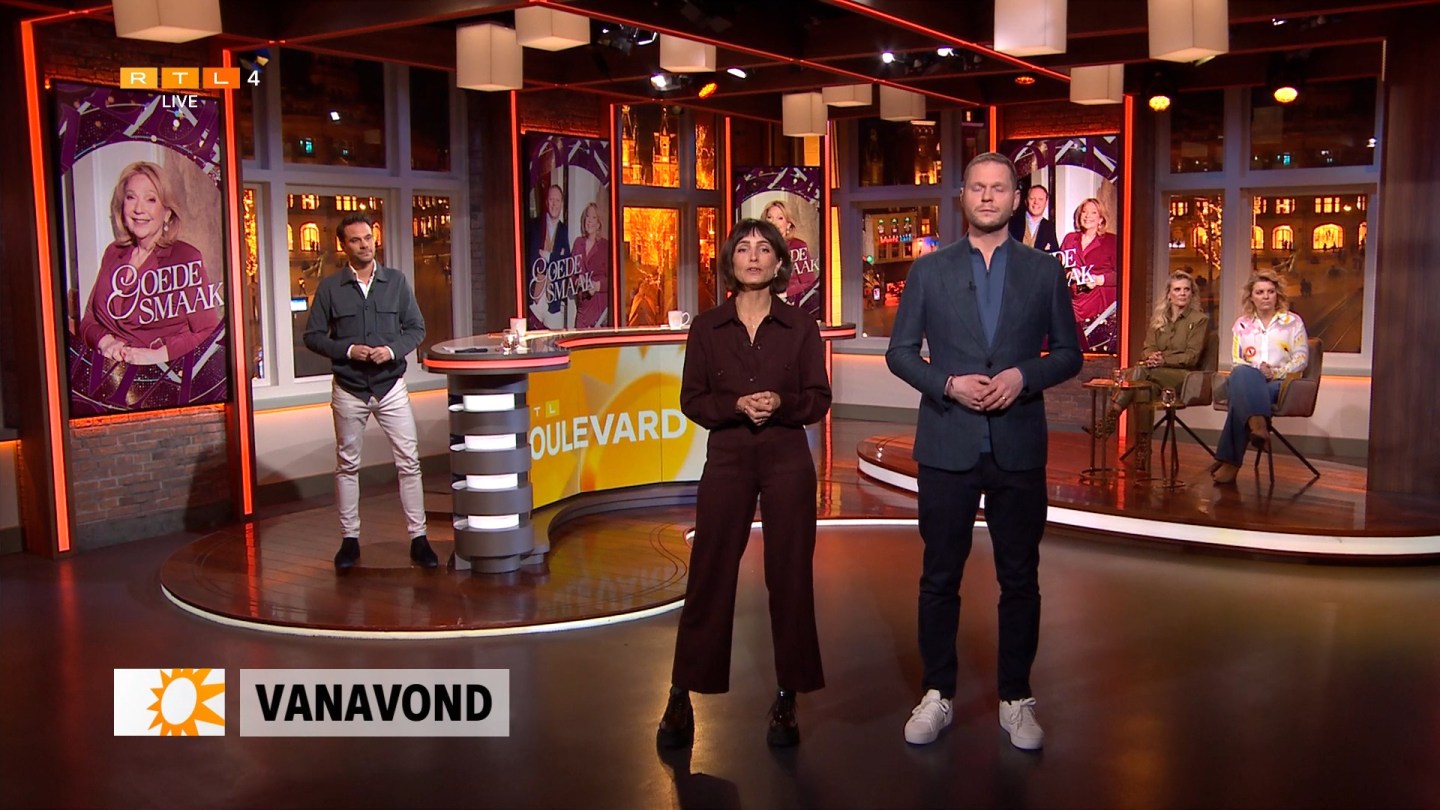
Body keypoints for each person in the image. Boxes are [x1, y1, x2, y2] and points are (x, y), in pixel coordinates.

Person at [886, 152, 1082, 750]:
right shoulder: (929, 270)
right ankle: (937, 693)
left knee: (1020, 577)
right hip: (948, 442)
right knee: (939, 576)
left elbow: (1069, 353)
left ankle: (1016, 698)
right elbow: (900, 353)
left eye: (1000, 188)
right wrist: (946, 383)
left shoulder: (1044, 271)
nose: (989, 197)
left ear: (1016, 199)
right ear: (963, 197)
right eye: (978, 187)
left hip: (1017, 445)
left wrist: (1025, 376)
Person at [656, 218, 832, 751]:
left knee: (790, 576)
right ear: (730, 262)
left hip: (786, 458)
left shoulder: (801, 327)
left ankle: (787, 696)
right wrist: (734, 405)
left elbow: (818, 398)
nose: (753, 257)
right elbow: (692, 399)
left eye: (764, 249)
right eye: (743, 249)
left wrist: (781, 403)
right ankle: (681, 693)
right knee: (709, 573)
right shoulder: (707, 328)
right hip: (729, 457)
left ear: (779, 263)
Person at [302, 212, 437, 571]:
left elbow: (416, 328)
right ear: (343, 246)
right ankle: (349, 540)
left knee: (409, 462)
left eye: (368, 238)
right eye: (356, 240)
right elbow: (312, 336)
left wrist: (392, 350)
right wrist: (348, 350)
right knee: (347, 464)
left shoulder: (396, 281)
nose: (364, 245)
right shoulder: (331, 288)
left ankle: (419, 538)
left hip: (390, 385)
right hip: (350, 389)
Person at [78, 161, 222, 367]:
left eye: (151, 199)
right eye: (131, 197)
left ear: (167, 212)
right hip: (111, 375)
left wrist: (157, 356)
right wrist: (106, 342)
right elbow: (89, 320)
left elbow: (208, 332)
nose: (138, 209)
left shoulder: (184, 257)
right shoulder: (113, 253)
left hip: (162, 377)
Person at [1212, 271, 1308, 485]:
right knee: (1241, 373)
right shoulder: (1242, 324)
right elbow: (1237, 360)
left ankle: (1230, 461)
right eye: (1260, 292)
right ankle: (1258, 426)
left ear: (1277, 295)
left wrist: (1275, 372)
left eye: (1270, 292)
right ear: (1251, 296)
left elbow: (1301, 358)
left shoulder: (1292, 322)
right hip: (1247, 377)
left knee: (1240, 399)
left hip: (1279, 383)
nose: (1265, 296)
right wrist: (1258, 369)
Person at [1097, 271, 1210, 436]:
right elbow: (1148, 348)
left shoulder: (1199, 320)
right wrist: (1152, 356)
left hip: (1184, 376)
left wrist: (1163, 360)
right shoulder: (1159, 319)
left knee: (1140, 370)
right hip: (1155, 373)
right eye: (1177, 289)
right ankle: (1143, 446)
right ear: (1169, 294)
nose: (1182, 293)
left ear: (1192, 294)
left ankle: (1111, 417)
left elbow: (1191, 357)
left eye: (1187, 289)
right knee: (1143, 390)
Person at [1058, 197, 1119, 352]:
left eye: (1093, 213)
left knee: (1092, 350)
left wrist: (1098, 279)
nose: (1087, 216)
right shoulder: (1070, 239)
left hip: (1098, 303)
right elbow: (1059, 267)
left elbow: (1123, 274)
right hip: (1073, 301)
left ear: (1101, 219)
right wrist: (1068, 274)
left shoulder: (1111, 241)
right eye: (1084, 212)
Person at [764, 200, 821, 320]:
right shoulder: (759, 247)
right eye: (769, 217)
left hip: (788, 307)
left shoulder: (798, 246)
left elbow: (808, 281)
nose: (773, 222)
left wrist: (785, 294)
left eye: (780, 218)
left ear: (788, 224)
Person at [527, 184, 571, 326]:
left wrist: (548, 256)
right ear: (546, 202)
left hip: (553, 301)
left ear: (562, 203)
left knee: (555, 339)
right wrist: (556, 256)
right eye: (551, 200)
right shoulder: (534, 226)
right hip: (534, 299)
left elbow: (566, 262)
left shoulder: (564, 230)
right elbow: (529, 258)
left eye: (557, 200)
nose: (554, 204)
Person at [571, 202, 610, 329]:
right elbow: (571, 274)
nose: (589, 221)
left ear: (598, 223)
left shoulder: (605, 246)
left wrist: (597, 286)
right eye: (587, 217)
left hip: (599, 309)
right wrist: (577, 281)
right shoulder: (578, 243)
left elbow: (614, 280)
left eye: (594, 218)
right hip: (583, 308)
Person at [1007, 184, 1060, 253]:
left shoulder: (1049, 227)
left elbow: (1055, 253)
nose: (1036, 202)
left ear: (1046, 203)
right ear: (1026, 201)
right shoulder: (1011, 222)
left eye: (1040, 199)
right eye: (1032, 198)